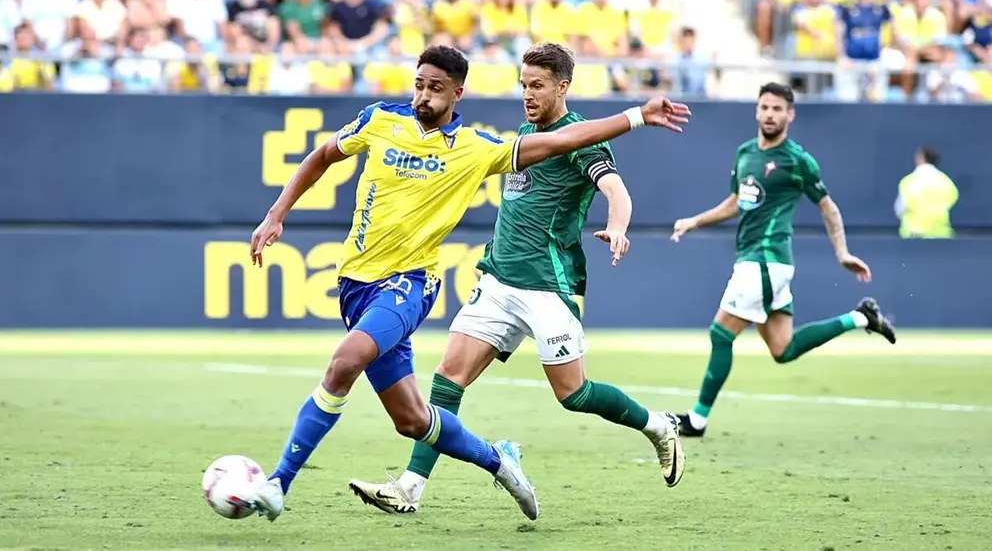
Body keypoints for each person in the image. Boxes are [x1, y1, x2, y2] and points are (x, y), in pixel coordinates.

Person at [245, 45, 691, 521]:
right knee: (438, 390)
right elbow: (323, 154)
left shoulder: (525, 144)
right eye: (523, 85)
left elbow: (605, 179)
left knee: (572, 395)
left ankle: (656, 424)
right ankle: (425, 483)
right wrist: (276, 214)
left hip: (541, 284)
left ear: (562, 87)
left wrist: (622, 199)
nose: (527, 94)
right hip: (495, 280)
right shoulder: (404, 123)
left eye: (537, 85)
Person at [668, 82, 896, 438]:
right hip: (758, 261)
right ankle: (860, 317)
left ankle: (697, 420)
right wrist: (694, 221)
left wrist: (842, 253)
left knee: (720, 333)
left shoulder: (798, 161)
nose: (770, 114)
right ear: (756, 111)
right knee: (783, 349)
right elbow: (736, 202)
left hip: (765, 259)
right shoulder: (745, 153)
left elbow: (828, 208)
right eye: (765, 107)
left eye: (777, 109)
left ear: (790, 115)